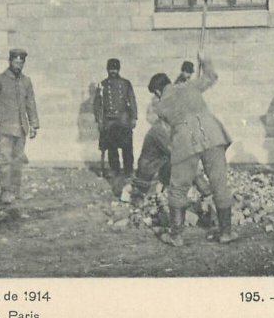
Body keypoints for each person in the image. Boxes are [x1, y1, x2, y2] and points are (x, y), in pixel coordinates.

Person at [150, 52, 235, 246]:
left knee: (178, 188)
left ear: (156, 91)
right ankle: (226, 233)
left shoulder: (160, 105)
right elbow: (211, 77)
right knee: (219, 184)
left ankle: (176, 236)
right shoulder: (190, 86)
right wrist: (205, 60)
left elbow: (165, 121)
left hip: (185, 142)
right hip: (212, 136)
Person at [132, 77, 212, 205]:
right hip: (150, 176)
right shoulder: (160, 129)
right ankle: (208, 194)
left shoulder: (170, 123)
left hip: (162, 167)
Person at [0, 48, 39, 204]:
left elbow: (30, 103)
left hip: (21, 128)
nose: (18, 65)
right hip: (3, 129)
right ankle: (6, 192)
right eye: (16, 62)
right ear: (10, 61)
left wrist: (34, 124)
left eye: (21, 62)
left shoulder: (26, 81)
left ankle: (15, 190)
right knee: (4, 161)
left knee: (17, 161)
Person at [94, 58, 137, 177]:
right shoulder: (102, 85)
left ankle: (128, 170)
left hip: (123, 120)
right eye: (111, 69)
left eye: (115, 69)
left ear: (119, 69)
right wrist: (99, 120)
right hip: (109, 121)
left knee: (127, 147)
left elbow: (132, 100)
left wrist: (134, 118)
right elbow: (97, 104)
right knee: (112, 148)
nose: (113, 71)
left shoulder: (125, 83)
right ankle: (115, 169)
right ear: (107, 70)